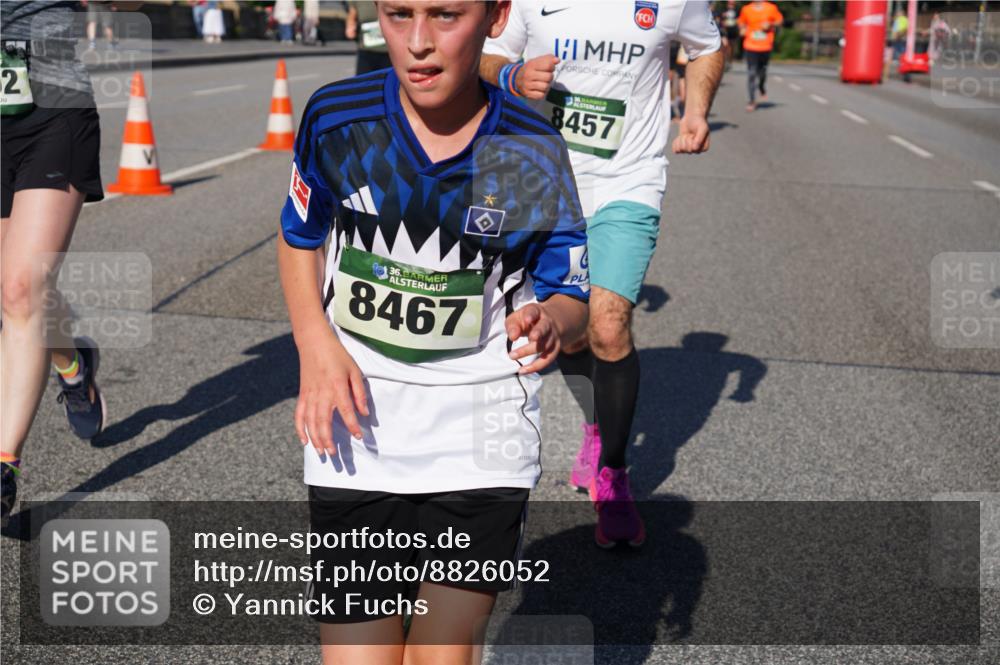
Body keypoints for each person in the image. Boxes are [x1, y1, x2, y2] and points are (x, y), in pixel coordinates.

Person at [278, 1, 589, 662]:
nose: (418, 41)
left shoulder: (531, 148)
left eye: (445, 15)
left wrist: (552, 322)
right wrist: (314, 343)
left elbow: (571, 292)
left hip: (480, 430)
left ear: (497, 16)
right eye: (399, 15)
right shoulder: (337, 117)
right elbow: (299, 235)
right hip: (355, 422)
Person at [481, 1, 723, 547]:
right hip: (543, 176)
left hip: (627, 179)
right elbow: (484, 56)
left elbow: (707, 47)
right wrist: (513, 75)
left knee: (608, 326)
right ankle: (595, 424)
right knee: (567, 329)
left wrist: (695, 111)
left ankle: (614, 474)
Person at [1, 0, 108, 525]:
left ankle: (4, 466)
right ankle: (72, 361)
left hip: (53, 105)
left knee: (21, 289)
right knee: (17, 289)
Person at [738, 0, 783, 111]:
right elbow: (741, 22)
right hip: (750, 45)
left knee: (762, 72)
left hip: (765, 46)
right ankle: (752, 101)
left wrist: (771, 24)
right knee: (752, 73)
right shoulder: (746, 9)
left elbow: (780, 21)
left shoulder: (771, 7)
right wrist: (742, 28)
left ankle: (761, 86)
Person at [343, 1, 392, 74]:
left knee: (390, 78)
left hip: (389, 51)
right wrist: (350, 27)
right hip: (366, 49)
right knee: (364, 79)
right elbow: (352, 14)